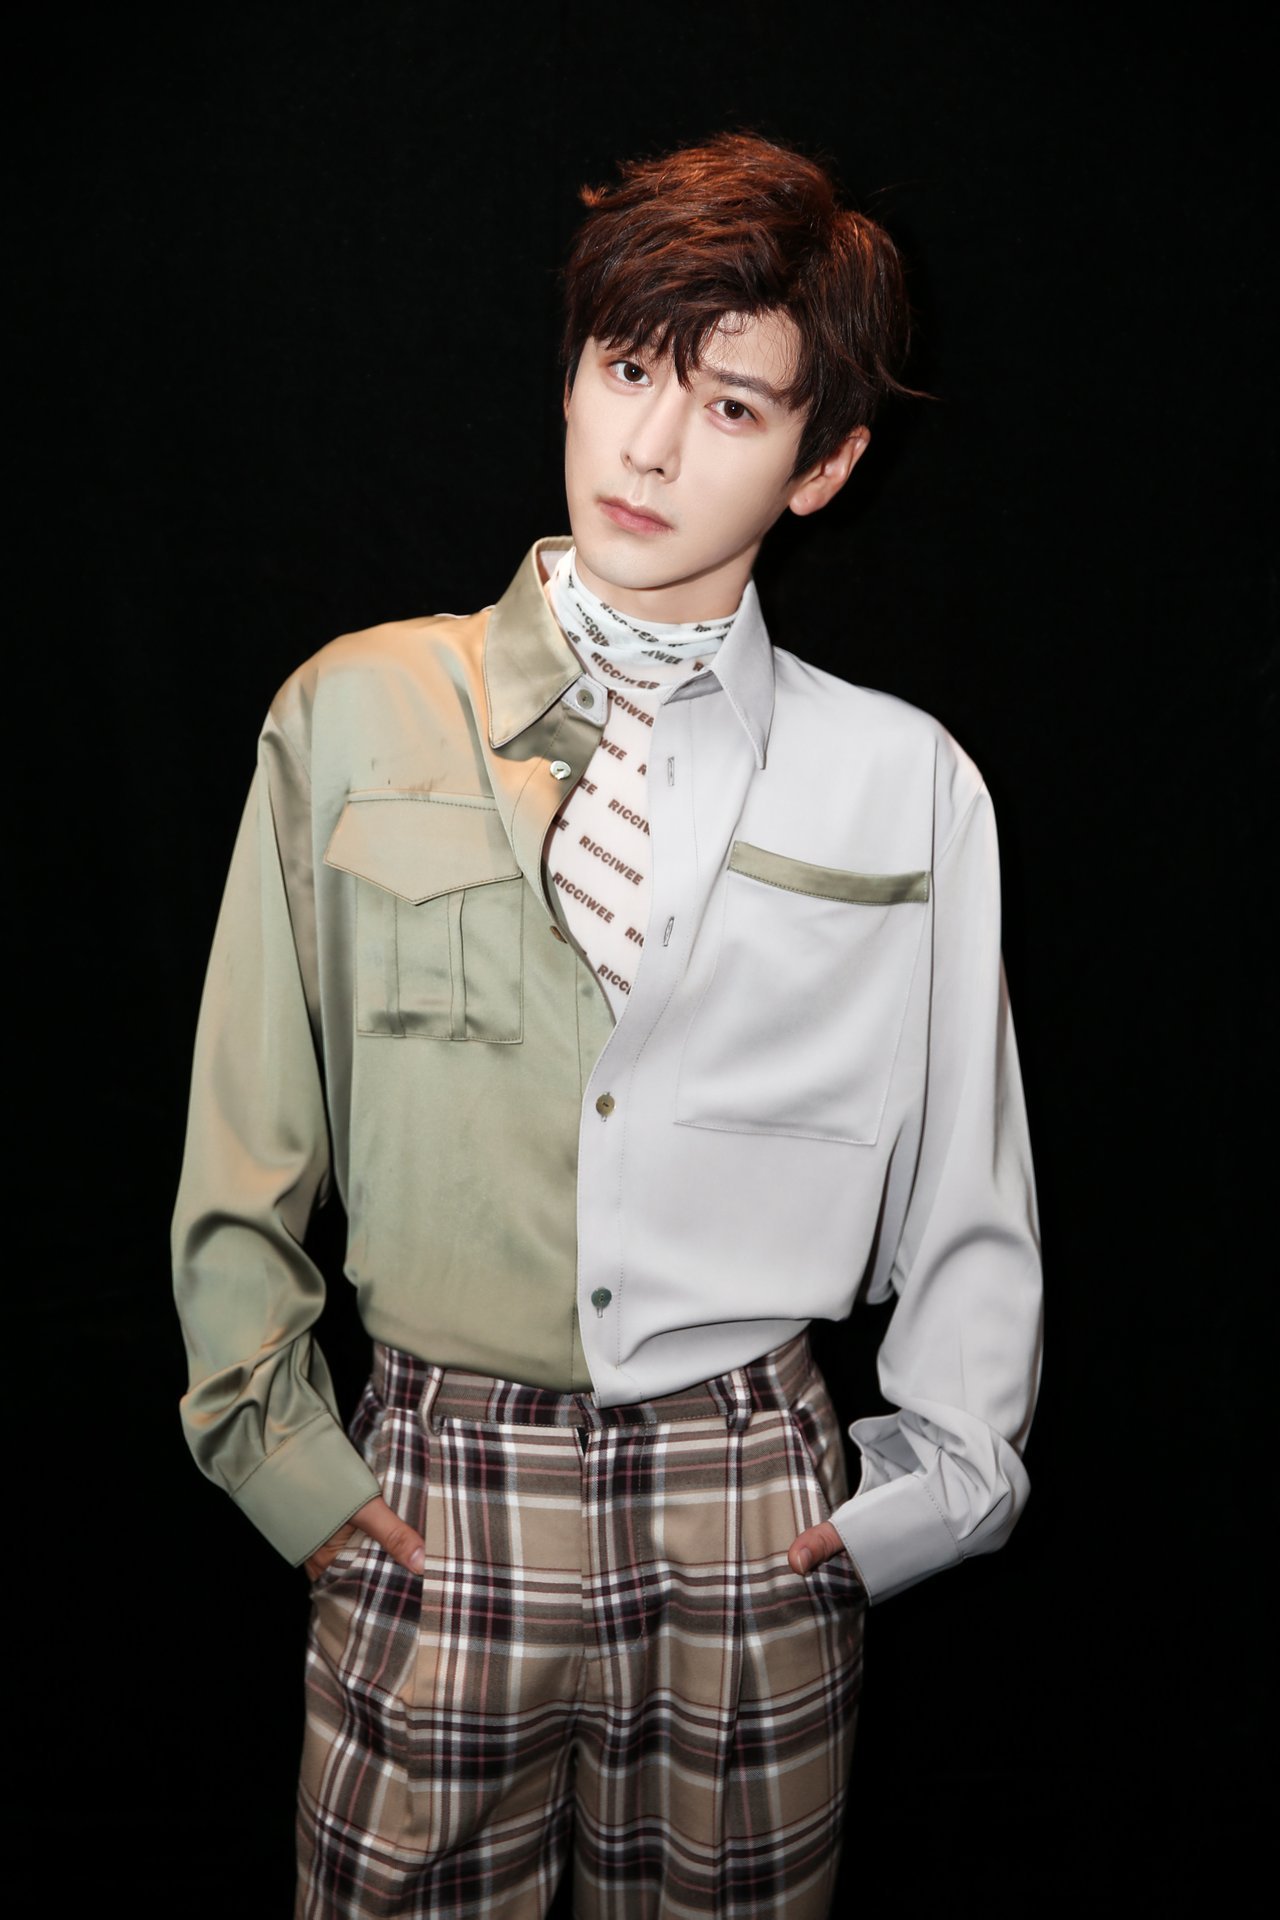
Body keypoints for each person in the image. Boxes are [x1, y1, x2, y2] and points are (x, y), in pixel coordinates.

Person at [173, 132, 1042, 1920]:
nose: (651, 447)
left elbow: (971, 1170)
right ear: (573, 372)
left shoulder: (904, 783)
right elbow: (247, 1128)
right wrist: (284, 1459)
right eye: (629, 370)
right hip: (436, 1487)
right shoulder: (352, 710)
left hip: (752, 1506)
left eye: (732, 406)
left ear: (824, 463)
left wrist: (924, 1495)